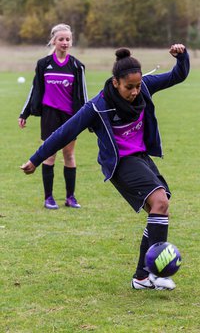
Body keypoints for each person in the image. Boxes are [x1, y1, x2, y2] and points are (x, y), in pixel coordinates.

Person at [21, 43, 190, 290]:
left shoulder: (143, 88)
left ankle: (141, 277)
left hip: (141, 158)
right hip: (120, 164)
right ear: (115, 83)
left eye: (138, 85)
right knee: (160, 202)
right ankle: (155, 273)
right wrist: (36, 159)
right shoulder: (97, 107)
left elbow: (178, 75)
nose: (135, 91)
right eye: (129, 87)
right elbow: (63, 133)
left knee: (159, 210)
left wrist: (182, 57)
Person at [18, 23, 88, 210]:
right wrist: (24, 113)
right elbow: (35, 89)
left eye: (68, 39)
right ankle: (48, 198)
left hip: (70, 117)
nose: (65, 42)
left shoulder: (76, 66)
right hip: (49, 115)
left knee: (69, 155)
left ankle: (70, 198)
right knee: (49, 155)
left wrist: (88, 118)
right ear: (53, 41)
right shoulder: (43, 64)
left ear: (71, 42)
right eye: (61, 39)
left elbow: (84, 94)